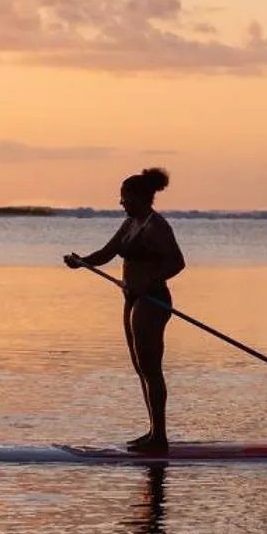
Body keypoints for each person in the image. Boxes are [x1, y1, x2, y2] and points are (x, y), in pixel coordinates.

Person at [66, 167, 186, 454]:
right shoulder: (130, 223)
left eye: (125, 197)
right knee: (140, 368)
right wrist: (82, 261)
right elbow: (107, 253)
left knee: (151, 369)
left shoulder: (157, 226)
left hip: (153, 300)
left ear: (141, 197)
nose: (121, 202)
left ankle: (160, 437)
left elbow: (177, 262)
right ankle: (152, 432)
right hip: (132, 299)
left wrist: (148, 282)